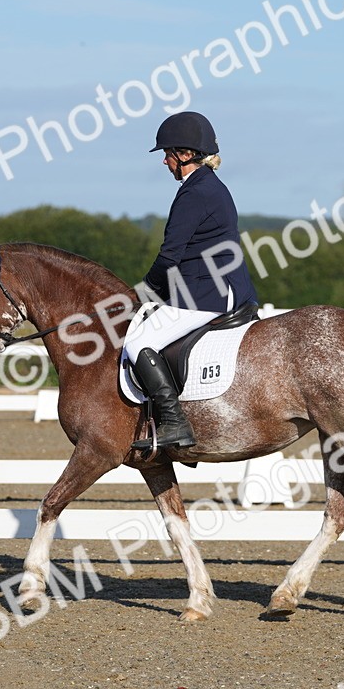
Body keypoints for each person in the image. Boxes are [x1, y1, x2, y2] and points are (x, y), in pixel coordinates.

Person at [127, 111, 258, 450]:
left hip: (207, 293)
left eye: (168, 154)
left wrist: (142, 293)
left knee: (138, 344)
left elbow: (170, 255)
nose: (166, 162)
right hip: (214, 286)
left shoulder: (195, 193)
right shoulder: (209, 187)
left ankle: (173, 424)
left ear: (185, 155)